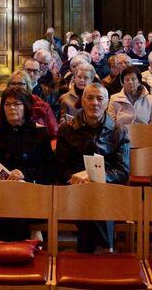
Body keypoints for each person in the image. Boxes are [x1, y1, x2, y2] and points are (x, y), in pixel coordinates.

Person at [55, 82, 130, 252]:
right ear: (82, 100)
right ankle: (105, 250)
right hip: (75, 190)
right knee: (89, 198)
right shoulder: (67, 129)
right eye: (89, 98)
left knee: (96, 197)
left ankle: (87, 256)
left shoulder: (119, 131)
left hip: (108, 191)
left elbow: (123, 171)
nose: (94, 103)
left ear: (107, 102)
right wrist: (75, 176)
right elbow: (60, 168)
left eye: (99, 98)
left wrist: (97, 178)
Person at [0, 88, 55, 241]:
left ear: (26, 107)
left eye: (17, 104)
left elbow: (49, 170)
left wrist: (25, 174)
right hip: (0, 193)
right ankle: (20, 250)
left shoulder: (40, 133)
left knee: (15, 207)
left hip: (32, 193)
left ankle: (10, 250)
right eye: (7, 104)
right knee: (10, 204)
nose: (12, 108)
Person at [0, 70, 58, 137]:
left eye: (21, 84)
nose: (16, 86)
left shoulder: (42, 106)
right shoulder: (1, 107)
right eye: (13, 84)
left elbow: (54, 131)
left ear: (28, 85)